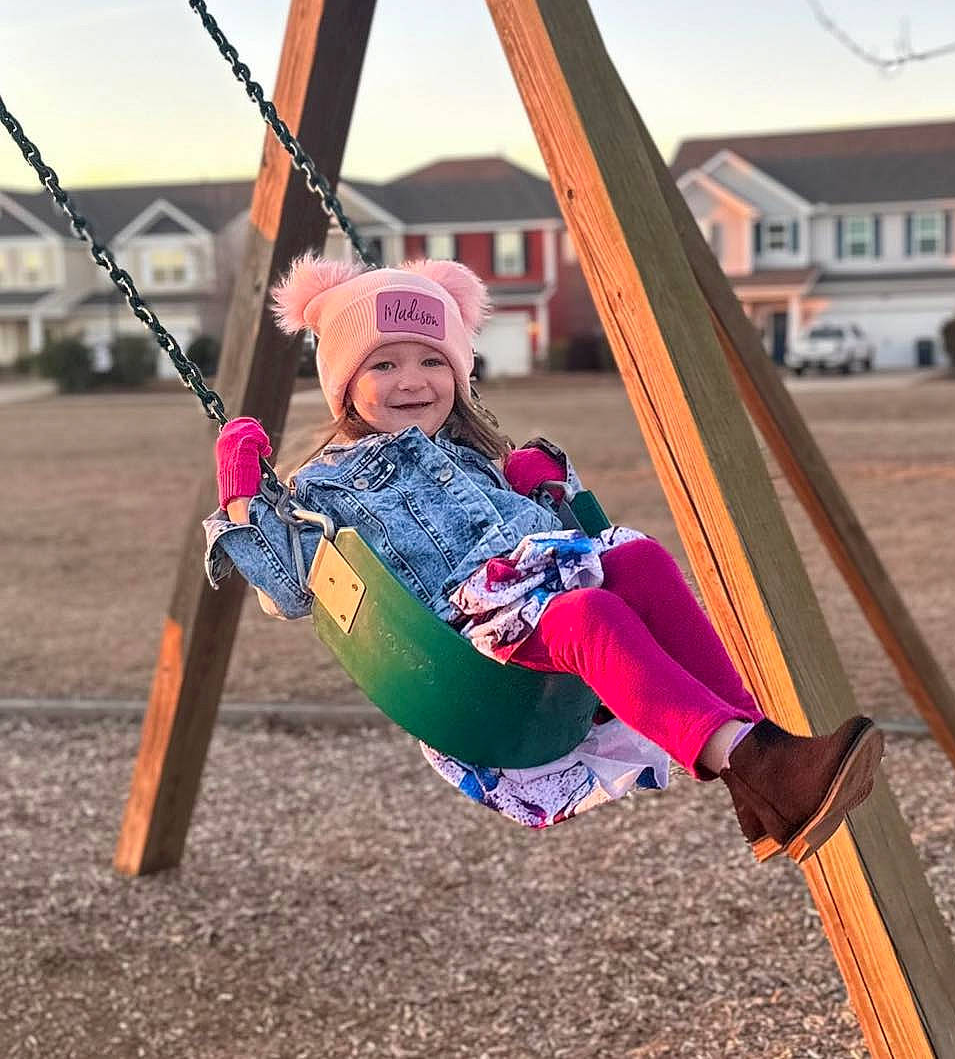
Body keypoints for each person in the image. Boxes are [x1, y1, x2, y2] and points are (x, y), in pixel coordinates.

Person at [204, 255, 883, 858]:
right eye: (384, 363)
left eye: (433, 360)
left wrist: (549, 487)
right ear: (345, 383)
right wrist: (242, 500)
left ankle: (762, 776)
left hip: (536, 587)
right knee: (589, 616)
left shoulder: (473, 458)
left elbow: (557, 529)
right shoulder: (329, 483)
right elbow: (293, 590)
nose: (413, 380)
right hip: (461, 641)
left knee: (640, 558)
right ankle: (754, 765)